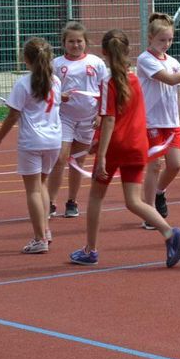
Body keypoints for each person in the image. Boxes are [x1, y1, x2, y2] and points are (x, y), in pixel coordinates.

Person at [69, 29, 180, 267]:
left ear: (103, 52)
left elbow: (110, 120)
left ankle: (90, 250)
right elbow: (129, 115)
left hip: (115, 146)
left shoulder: (108, 82)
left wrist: (101, 154)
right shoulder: (135, 80)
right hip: (137, 145)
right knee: (134, 201)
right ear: (127, 51)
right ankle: (169, 233)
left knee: (95, 197)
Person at [0, 37, 62, 254]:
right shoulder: (55, 81)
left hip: (32, 140)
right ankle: (45, 231)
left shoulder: (23, 83)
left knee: (32, 189)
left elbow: (13, 115)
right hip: (53, 139)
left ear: (25, 59)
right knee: (42, 184)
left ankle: (39, 237)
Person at [137, 13, 180, 227]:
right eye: (161, 40)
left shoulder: (174, 62)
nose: (166, 44)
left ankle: (159, 192)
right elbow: (171, 79)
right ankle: (149, 213)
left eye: (169, 40)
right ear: (150, 38)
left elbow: (177, 91)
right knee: (155, 164)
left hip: (171, 122)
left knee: (175, 165)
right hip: (152, 121)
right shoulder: (145, 59)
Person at [46, 21, 108, 219]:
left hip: (88, 119)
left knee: (77, 161)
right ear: (64, 43)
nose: (75, 45)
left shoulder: (96, 62)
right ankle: (50, 202)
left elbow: (104, 89)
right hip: (64, 117)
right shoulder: (56, 64)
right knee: (60, 158)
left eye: (79, 41)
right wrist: (58, 96)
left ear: (86, 42)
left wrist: (100, 113)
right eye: (71, 41)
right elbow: (49, 90)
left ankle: (72, 201)